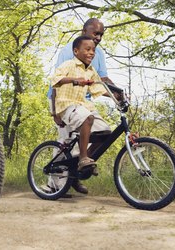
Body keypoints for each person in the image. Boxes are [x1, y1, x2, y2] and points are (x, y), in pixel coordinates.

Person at [45, 18, 112, 196]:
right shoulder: (69, 51)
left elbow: (102, 79)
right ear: (84, 31)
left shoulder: (98, 53)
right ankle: (54, 185)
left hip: (84, 102)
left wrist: (117, 92)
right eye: (95, 33)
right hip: (63, 101)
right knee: (65, 141)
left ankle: (76, 170)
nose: (98, 38)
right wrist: (54, 112)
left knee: (103, 133)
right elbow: (55, 82)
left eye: (101, 35)